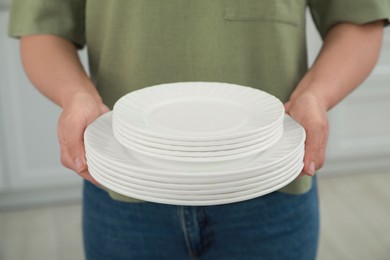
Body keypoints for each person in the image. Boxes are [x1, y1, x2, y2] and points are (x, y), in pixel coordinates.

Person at [8, 1, 389, 259]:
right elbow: (43, 29)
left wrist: (316, 97)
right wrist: (76, 96)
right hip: (124, 192)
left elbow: (360, 17)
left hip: (270, 190)